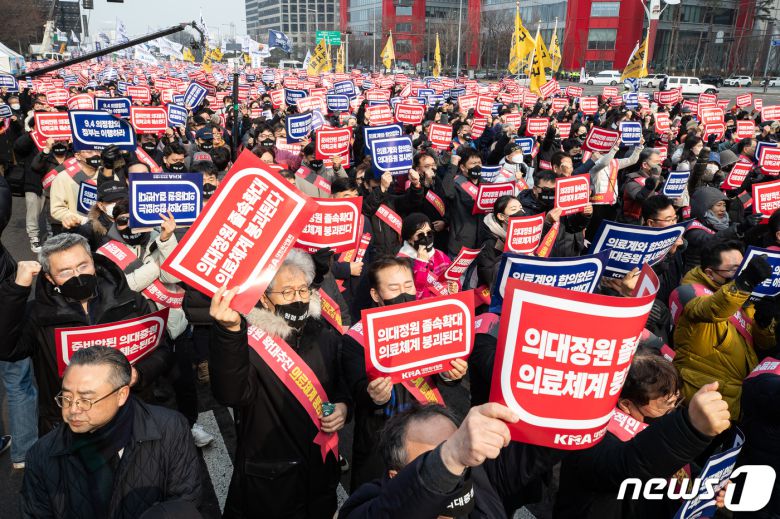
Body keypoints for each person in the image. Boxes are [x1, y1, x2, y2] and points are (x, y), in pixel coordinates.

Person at [208, 249, 350, 518]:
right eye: (287, 292)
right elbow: (231, 393)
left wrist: (344, 407)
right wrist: (228, 333)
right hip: (270, 482)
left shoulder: (325, 336)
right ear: (265, 298)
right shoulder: (250, 341)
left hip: (320, 473)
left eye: (303, 290)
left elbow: (341, 386)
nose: (297, 298)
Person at [0, 233, 174, 433]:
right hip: (69, 425)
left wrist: (140, 373)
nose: (77, 276)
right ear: (49, 277)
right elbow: (7, 348)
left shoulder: (131, 302)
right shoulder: (38, 314)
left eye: (83, 266)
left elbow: (162, 349)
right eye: (65, 271)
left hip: (128, 416)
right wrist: (16, 291)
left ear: (93, 262)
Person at [21, 346, 203, 518]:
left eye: (86, 399)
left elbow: (185, 503)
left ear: (121, 395)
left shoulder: (171, 429)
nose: (73, 409)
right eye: (67, 397)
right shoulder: (42, 455)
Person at [555, 351, 733, 519]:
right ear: (626, 404)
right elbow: (634, 463)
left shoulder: (648, 428)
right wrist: (690, 428)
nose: (672, 411)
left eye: (676, 401)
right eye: (665, 404)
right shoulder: (593, 438)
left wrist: (707, 483)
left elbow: (677, 467)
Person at [341, 256, 468, 489]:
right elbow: (356, 390)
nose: (403, 293)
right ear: (376, 295)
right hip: (379, 439)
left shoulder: (429, 321)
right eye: (393, 288)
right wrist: (373, 395)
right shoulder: (356, 339)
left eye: (408, 286)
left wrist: (451, 374)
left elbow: (441, 370)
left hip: (426, 433)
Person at [339, 403, 560, 518]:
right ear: (396, 476)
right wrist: (449, 458)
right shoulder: (373, 503)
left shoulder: (480, 476)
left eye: (459, 442)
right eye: (432, 458)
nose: (457, 467)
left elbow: (545, 440)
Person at [671, 241, 776, 419]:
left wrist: (763, 324)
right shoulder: (688, 291)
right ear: (710, 273)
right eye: (734, 269)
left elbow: (761, 344)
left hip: (737, 396)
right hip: (705, 398)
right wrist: (744, 282)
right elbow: (711, 309)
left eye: (743, 266)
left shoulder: (744, 297)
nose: (741, 273)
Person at [683, 186, 761, 272]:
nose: (723, 209)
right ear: (705, 207)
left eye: (724, 205)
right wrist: (739, 228)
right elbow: (712, 241)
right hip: (698, 275)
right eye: (719, 205)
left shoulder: (726, 224)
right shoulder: (693, 230)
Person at [518, 170, 592, 257]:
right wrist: (547, 223)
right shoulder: (523, 208)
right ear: (535, 189)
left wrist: (584, 215)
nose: (551, 194)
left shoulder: (563, 201)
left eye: (554, 190)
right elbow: (526, 242)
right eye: (546, 190)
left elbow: (575, 227)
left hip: (568, 255)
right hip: (542, 260)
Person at [397, 213, 455, 299]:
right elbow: (412, 297)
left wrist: (454, 287)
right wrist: (421, 264)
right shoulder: (400, 262)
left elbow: (453, 279)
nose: (426, 237)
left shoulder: (439, 255)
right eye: (420, 235)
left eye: (429, 233)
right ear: (409, 239)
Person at [476, 195, 523, 288]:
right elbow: (487, 274)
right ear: (501, 216)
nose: (520, 212)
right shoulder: (490, 242)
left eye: (521, 208)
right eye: (514, 209)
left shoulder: (524, 233)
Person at [619, 148, 662, 224]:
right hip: (632, 223)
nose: (659, 166)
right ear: (645, 165)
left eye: (660, 162)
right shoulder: (632, 180)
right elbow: (640, 198)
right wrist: (653, 181)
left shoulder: (653, 178)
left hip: (649, 222)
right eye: (656, 162)